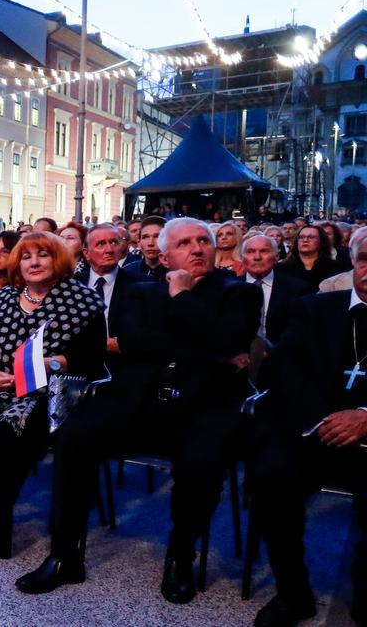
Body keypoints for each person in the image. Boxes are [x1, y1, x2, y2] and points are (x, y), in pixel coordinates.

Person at [17, 218, 261, 605]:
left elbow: (230, 337)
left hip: (204, 404)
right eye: (184, 243)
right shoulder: (141, 291)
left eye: (204, 241)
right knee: (73, 437)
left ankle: (181, 554)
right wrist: (211, 353)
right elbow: (132, 342)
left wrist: (182, 299)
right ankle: (65, 554)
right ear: (164, 256)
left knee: (201, 462)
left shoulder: (239, 293)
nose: (197, 248)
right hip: (137, 401)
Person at [0, 231, 104, 559]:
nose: (33, 262)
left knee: (10, 428)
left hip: (48, 391)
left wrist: (52, 363)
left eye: (42, 255)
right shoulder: (4, 298)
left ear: (58, 259)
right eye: (27, 256)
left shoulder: (83, 301)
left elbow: (92, 360)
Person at [247, 250, 367, 626]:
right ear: (353, 264)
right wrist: (323, 419)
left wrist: (365, 417)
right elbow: (284, 370)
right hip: (314, 428)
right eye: (364, 259)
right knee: (269, 478)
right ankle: (293, 592)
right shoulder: (314, 308)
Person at [74, 223, 152, 369]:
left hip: (127, 368)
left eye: (114, 243)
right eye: (101, 244)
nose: (109, 250)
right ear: (86, 253)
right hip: (79, 369)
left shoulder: (143, 284)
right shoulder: (72, 285)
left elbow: (151, 335)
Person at [278, 224, 340, 293]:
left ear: (321, 242)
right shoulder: (281, 268)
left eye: (311, 237)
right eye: (301, 237)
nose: (305, 240)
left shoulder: (335, 268)